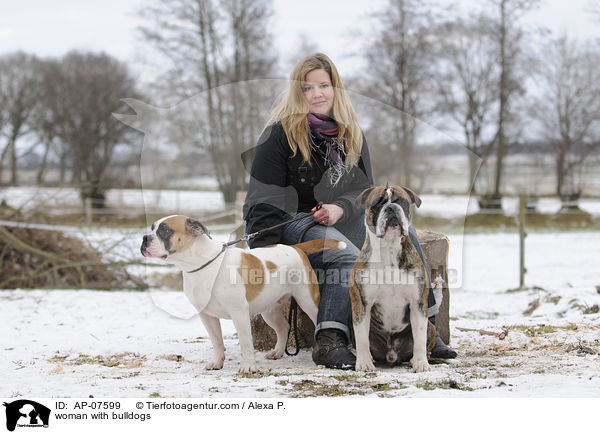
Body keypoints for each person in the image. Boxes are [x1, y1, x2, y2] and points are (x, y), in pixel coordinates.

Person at [242, 53, 456, 369]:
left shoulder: (351, 132)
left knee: (407, 232)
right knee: (343, 254)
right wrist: (268, 253)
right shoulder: (278, 134)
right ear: (296, 93)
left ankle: (429, 333)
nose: (317, 94)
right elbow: (262, 200)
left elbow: (363, 191)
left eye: (323, 85)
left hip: (337, 218)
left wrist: (340, 209)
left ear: (335, 87)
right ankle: (329, 341)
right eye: (307, 88)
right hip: (286, 223)